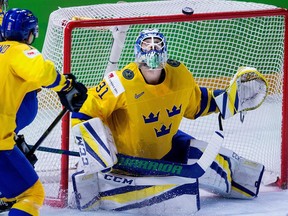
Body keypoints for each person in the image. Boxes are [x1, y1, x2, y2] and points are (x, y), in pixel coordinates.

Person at [70, 28, 266, 211]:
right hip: (126, 163)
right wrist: (93, 149)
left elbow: (196, 103)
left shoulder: (179, 75)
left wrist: (228, 101)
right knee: (180, 197)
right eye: (147, 45)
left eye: (157, 45)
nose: (153, 50)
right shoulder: (119, 83)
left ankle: (239, 182)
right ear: (138, 52)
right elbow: (86, 111)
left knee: (234, 172)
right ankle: (97, 185)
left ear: (165, 51)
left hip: (166, 148)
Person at [0, 8, 87, 216]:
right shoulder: (20, 51)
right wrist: (65, 85)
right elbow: (40, 72)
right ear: (29, 34)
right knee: (31, 195)